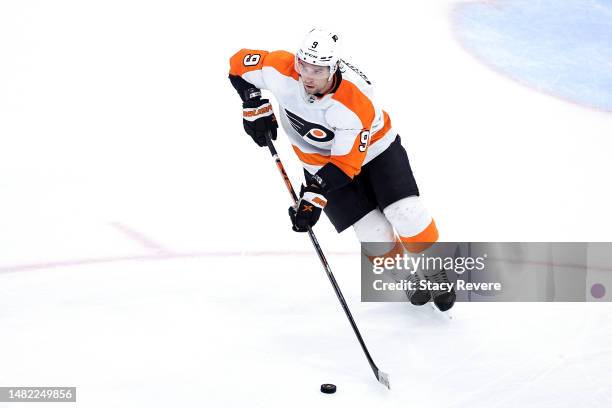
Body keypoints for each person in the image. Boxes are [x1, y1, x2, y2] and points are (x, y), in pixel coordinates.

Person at [228, 29, 455, 311]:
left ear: (333, 68)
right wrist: (252, 103)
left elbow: (346, 165)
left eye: (319, 69)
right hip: (320, 162)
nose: (308, 76)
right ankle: (404, 277)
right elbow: (238, 64)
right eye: (304, 65)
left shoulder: (354, 102)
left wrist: (313, 197)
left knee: (405, 213)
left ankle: (434, 269)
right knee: (372, 231)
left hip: (376, 151)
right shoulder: (280, 68)